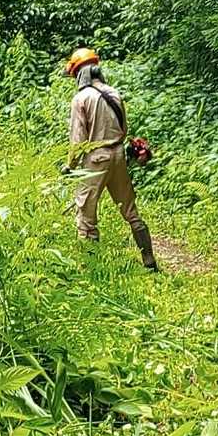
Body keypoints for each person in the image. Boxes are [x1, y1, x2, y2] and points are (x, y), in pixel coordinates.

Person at [64, 48, 158, 272]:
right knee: (131, 211)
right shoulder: (114, 93)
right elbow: (123, 129)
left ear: (79, 73)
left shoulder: (81, 99)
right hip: (118, 155)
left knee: (86, 215)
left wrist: (70, 165)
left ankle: (91, 268)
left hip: (95, 160)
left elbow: (78, 140)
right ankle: (149, 261)